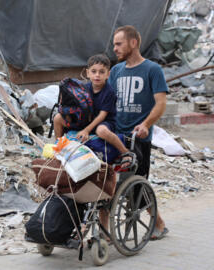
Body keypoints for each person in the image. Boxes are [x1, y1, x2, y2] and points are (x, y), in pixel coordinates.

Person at [108, 25, 169, 240]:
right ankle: (105, 230)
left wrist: (146, 124)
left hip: (138, 138)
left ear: (133, 43)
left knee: (135, 185)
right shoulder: (116, 71)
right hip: (115, 137)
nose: (114, 48)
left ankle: (159, 224)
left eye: (119, 43)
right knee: (108, 184)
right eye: (114, 44)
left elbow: (160, 103)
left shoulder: (152, 70)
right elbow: (108, 101)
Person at [52, 54, 133, 165]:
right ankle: (60, 148)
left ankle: (125, 152)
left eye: (102, 72)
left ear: (108, 74)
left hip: (104, 122)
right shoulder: (84, 88)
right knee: (57, 118)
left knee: (101, 131)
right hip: (86, 120)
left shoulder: (109, 92)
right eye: (94, 71)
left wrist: (86, 130)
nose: (97, 75)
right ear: (87, 73)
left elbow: (102, 116)